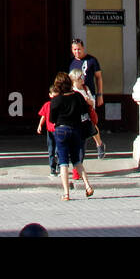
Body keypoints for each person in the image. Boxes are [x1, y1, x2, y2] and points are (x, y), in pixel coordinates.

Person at [49, 72, 94, 201]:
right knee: (77, 161)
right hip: (76, 130)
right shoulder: (78, 96)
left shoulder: (56, 100)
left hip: (61, 130)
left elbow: (52, 119)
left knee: (63, 163)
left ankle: (66, 194)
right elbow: (86, 111)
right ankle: (87, 186)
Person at [69, 38, 105, 156]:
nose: (77, 52)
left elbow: (98, 77)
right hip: (75, 95)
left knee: (90, 121)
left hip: (88, 93)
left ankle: (99, 144)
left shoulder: (92, 60)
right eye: (75, 49)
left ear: (83, 48)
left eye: (79, 49)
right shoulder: (71, 63)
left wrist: (100, 95)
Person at [37, 79, 62, 178]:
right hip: (50, 131)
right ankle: (52, 168)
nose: (55, 98)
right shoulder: (47, 105)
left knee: (58, 150)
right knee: (51, 150)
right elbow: (43, 115)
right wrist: (40, 125)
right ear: (50, 95)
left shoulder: (60, 105)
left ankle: (60, 167)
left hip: (58, 130)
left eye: (57, 96)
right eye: (54, 96)